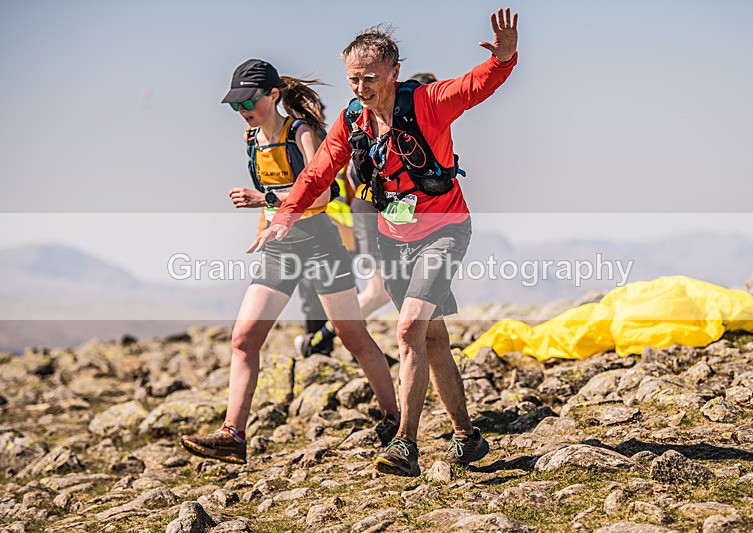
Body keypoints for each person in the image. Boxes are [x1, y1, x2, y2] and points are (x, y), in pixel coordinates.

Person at [257, 9, 519, 476]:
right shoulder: (353, 119)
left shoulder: (428, 102)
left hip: (443, 230)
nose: (361, 87)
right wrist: (287, 213)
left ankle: (406, 444)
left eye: (370, 78)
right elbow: (319, 172)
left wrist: (503, 57)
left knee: (407, 329)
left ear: (394, 72)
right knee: (432, 338)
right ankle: (466, 436)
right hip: (393, 240)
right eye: (353, 79)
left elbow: (475, 86)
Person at [179, 59, 401, 464]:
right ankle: (233, 435)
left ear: (274, 95)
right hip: (280, 248)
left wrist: (264, 199)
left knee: (351, 337)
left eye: (249, 101)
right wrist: (262, 231)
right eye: (235, 105)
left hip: (320, 244)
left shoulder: (299, 133)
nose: (243, 111)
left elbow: (322, 195)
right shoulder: (252, 139)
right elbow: (275, 197)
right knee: (244, 339)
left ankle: (394, 419)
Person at [297, 72, 439, 359]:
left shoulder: (404, 130)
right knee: (378, 292)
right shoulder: (384, 129)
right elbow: (356, 177)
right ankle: (319, 339)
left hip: (374, 218)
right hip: (367, 216)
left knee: (395, 288)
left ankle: (350, 344)